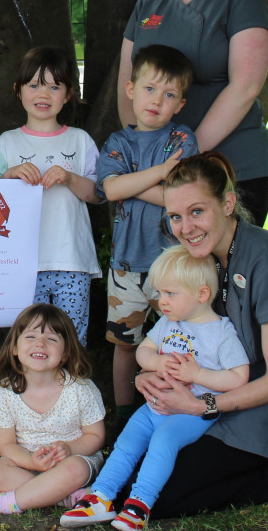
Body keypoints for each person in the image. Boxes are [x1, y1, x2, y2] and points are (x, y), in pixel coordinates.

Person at [132, 152, 268, 518]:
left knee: (158, 498)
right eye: (175, 216)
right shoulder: (198, 258)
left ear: (227, 204)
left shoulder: (266, 264)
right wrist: (150, 373)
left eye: (197, 212)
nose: (186, 227)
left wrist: (200, 406)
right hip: (201, 393)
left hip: (258, 414)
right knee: (131, 468)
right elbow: (175, 336)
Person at [117, 0, 268, 226]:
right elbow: (126, 87)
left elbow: (245, 88)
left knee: (221, 273)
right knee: (168, 276)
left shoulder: (243, 1)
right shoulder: (148, 6)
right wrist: (143, 152)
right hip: (158, 171)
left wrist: (183, 153)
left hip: (231, 166)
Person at [60, 246, 249, 531]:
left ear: (202, 295)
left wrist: (198, 373)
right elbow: (142, 352)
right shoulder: (166, 323)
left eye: (170, 294)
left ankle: (139, 505)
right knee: (126, 443)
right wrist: (156, 362)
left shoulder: (221, 332)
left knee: (163, 443)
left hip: (191, 413)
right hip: (154, 407)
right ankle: (100, 497)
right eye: (160, 294)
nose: (162, 302)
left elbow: (239, 377)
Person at [97, 44, 199, 428]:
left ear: (180, 103)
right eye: (150, 89)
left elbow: (178, 199)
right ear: (130, 89)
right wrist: (159, 173)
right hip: (125, 268)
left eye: (169, 94)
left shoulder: (181, 141)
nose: (157, 100)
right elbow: (108, 189)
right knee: (125, 346)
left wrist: (125, 183)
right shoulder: (117, 143)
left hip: (173, 266)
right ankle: (125, 417)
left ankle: (179, 409)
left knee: (181, 342)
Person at [0, 303, 106, 518]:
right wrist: (31, 462)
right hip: (26, 465)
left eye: (51, 339)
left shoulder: (81, 389)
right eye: (30, 337)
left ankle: (2, 503)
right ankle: (63, 497)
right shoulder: (5, 391)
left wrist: (69, 448)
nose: (40, 344)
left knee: (75, 468)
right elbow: (6, 445)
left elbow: (95, 436)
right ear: (14, 347)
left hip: (71, 463)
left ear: (66, 353)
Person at [0, 47, 102, 345]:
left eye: (54, 87)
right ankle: (30, 390)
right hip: (21, 263)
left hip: (72, 261)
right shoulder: (7, 142)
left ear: (67, 95)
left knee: (71, 339)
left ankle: (70, 391)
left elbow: (98, 195)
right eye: (35, 85)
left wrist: (69, 177)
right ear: (19, 90)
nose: (44, 93)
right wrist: (10, 175)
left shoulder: (80, 140)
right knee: (28, 340)